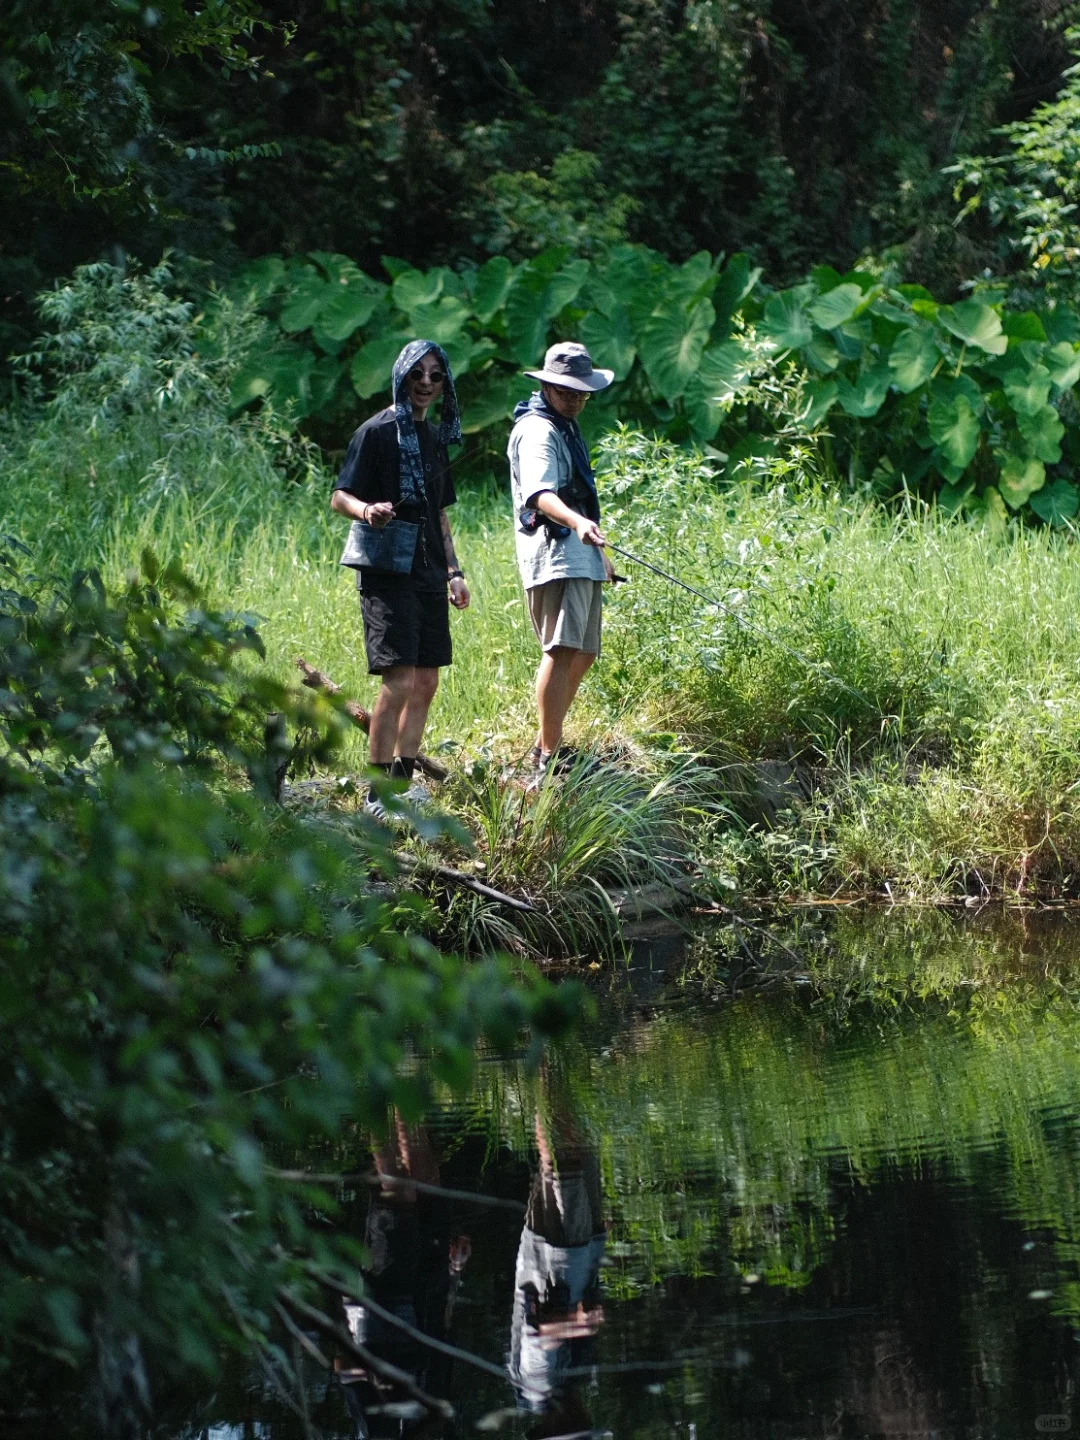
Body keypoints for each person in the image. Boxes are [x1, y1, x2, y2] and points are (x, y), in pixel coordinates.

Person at [332, 340, 470, 818]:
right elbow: (339, 496)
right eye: (418, 374)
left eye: (436, 376)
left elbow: (441, 514)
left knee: (427, 680)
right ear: (402, 377)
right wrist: (368, 510)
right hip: (388, 568)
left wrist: (455, 572)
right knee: (400, 678)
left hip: (431, 568)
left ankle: (403, 781)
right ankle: (375, 794)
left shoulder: (432, 438)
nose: (427, 384)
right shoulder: (375, 432)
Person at [507, 341, 616, 779]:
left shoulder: (564, 425)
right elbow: (540, 493)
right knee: (561, 647)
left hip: (580, 550)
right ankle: (550, 756)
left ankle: (544, 745)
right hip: (555, 550)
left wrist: (599, 553)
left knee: (584, 652)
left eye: (581, 392)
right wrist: (577, 524)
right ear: (548, 386)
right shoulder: (538, 430)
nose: (575, 399)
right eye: (567, 391)